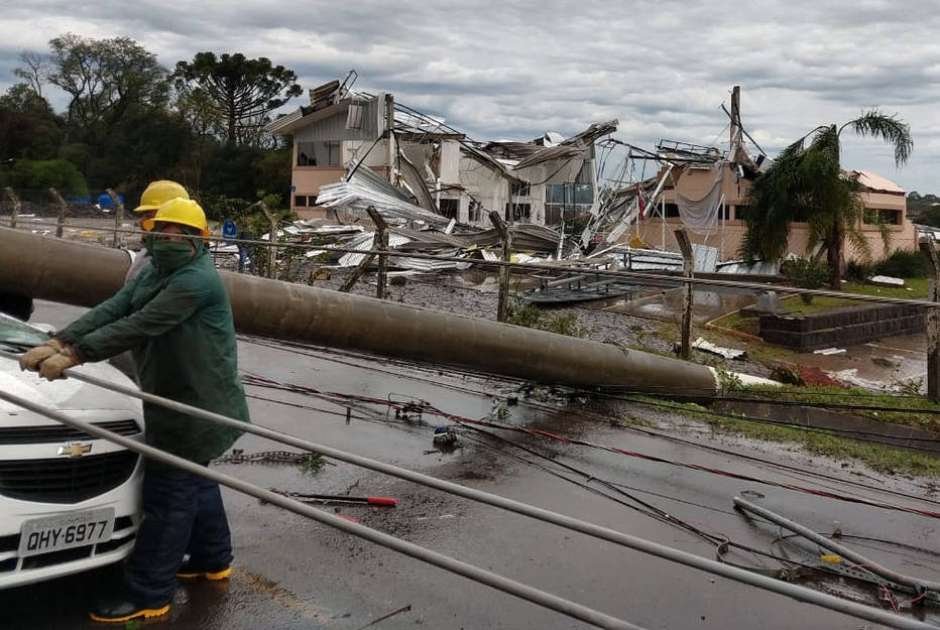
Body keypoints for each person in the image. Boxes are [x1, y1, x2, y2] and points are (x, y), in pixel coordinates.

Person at [20, 197, 250, 624]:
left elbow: (140, 324)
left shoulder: (195, 281)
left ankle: (149, 592)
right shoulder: (159, 271)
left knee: (169, 495)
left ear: (200, 241)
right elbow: (118, 307)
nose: (165, 238)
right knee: (196, 484)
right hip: (180, 396)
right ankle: (211, 559)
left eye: (176, 233)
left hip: (197, 405)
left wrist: (76, 354)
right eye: (160, 229)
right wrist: (61, 340)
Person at [125, 180, 191, 283]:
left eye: (149, 217)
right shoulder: (147, 255)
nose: (141, 223)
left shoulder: (184, 271)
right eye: (143, 216)